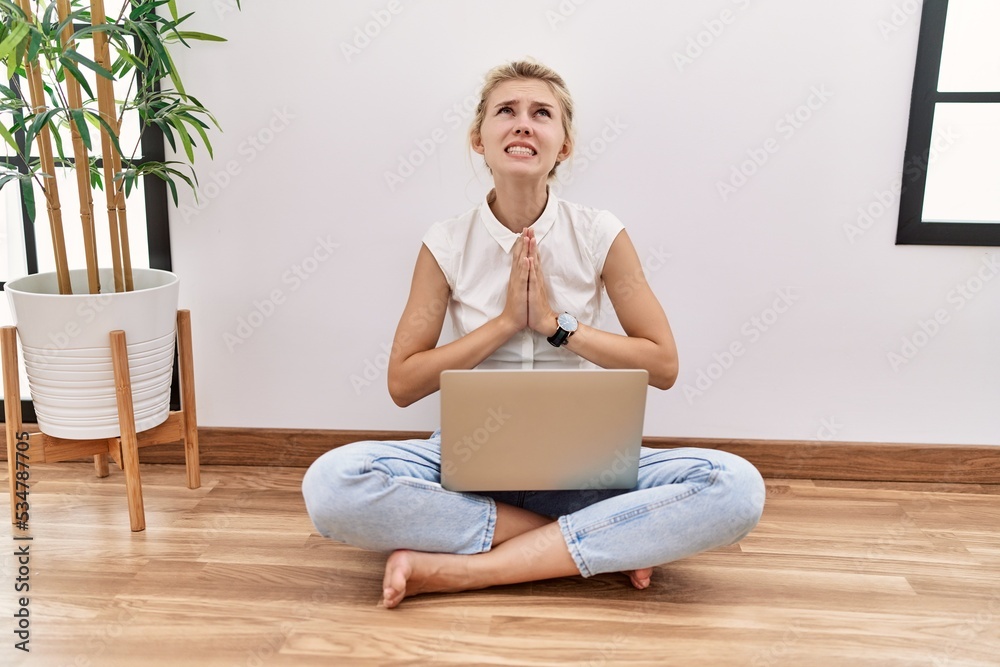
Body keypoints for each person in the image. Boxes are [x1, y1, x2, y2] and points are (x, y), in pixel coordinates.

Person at [302, 60, 765, 609]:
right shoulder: (446, 242)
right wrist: (504, 325)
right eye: (506, 111)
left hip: (584, 463)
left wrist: (555, 327)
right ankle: (603, 537)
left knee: (735, 487)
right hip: (467, 463)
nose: (523, 124)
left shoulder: (599, 233)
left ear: (563, 145)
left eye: (541, 114)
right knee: (333, 484)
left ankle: (471, 570)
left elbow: (662, 365)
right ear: (479, 139)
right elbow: (403, 383)